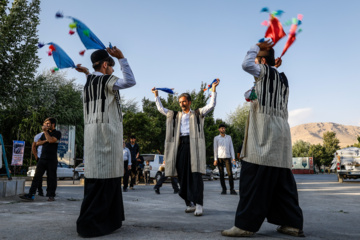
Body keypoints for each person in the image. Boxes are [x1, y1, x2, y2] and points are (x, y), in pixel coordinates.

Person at [222, 41, 304, 237]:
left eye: (257, 59)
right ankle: (292, 224)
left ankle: (245, 225)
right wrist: (270, 68)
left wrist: (254, 46)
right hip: (282, 135)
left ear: (261, 61)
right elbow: (250, 95)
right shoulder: (282, 79)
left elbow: (245, 65)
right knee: (282, 182)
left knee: (252, 179)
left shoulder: (264, 72)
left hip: (264, 134)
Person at [75, 46, 136, 237]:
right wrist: (122, 58)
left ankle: (110, 220)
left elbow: (92, 76)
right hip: (106, 136)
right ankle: (91, 225)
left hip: (93, 137)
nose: (113, 69)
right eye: (111, 66)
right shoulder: (105, 79)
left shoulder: (90, 81)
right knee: (106, 180)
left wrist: (86, 71)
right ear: (104, 65)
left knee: (97, 180)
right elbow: (130, 81)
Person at [152, 79, 220, 216]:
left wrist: (213, 89)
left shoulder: (197, 113)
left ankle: (199, 205)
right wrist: (156, 96)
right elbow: (161, 109)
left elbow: (211, 105)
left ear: (189, 102)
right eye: (180, 102)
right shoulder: (175, 115)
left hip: (194, 146)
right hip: (181, 146)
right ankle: (190, 203)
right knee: (182, 176)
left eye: (184, 101)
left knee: (195, 176)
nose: (182, 104)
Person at [20, 117, 62, 202]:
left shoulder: (57, 133)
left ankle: (51, 195)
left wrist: (46, 135)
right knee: (36, 177)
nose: (45, 125)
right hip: (42, 158)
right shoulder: (43, 134)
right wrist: (45, 140)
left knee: (51, 178)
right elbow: (37, 143)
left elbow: (51, 140)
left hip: (52, 159)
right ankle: (31, 194)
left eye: (47, 124)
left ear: (53, 124)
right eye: (45, 124)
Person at [213, 124, 237, 195]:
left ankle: (232, 189)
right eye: (222, 128)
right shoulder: (216, 138)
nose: (223, 129)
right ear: (219, 130)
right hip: (220, 158)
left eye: (224, 128)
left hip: (227, 157)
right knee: (221, 174)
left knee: (230, 174)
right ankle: (224, 189)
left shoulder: (229, 137)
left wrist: (233, 159)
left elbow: (231, 148)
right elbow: (215, 149)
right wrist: (215, 159)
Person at [31, 130, 45, 196]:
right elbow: (33, 146)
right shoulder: (38, 135)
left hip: (49, 157)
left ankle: (50, 193)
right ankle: (40, 190)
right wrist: (36, 156)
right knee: (38, 175)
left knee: (51, 175)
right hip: (40, 157)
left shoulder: (53, 134)